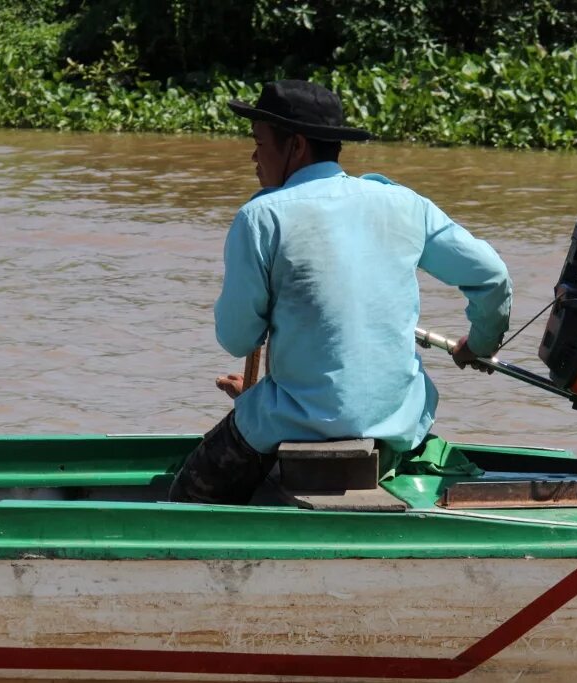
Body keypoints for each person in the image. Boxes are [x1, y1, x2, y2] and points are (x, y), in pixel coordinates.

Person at [169, 79, 512, 504]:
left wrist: (269, 393)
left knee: (185, 494)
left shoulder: (261, 217)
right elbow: (492, 276)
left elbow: (236, 338)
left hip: (294, 421)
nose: (253, 157)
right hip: (400, 424)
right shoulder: (405, 204)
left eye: (259, 143)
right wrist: (477, 345)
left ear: (295, 147)